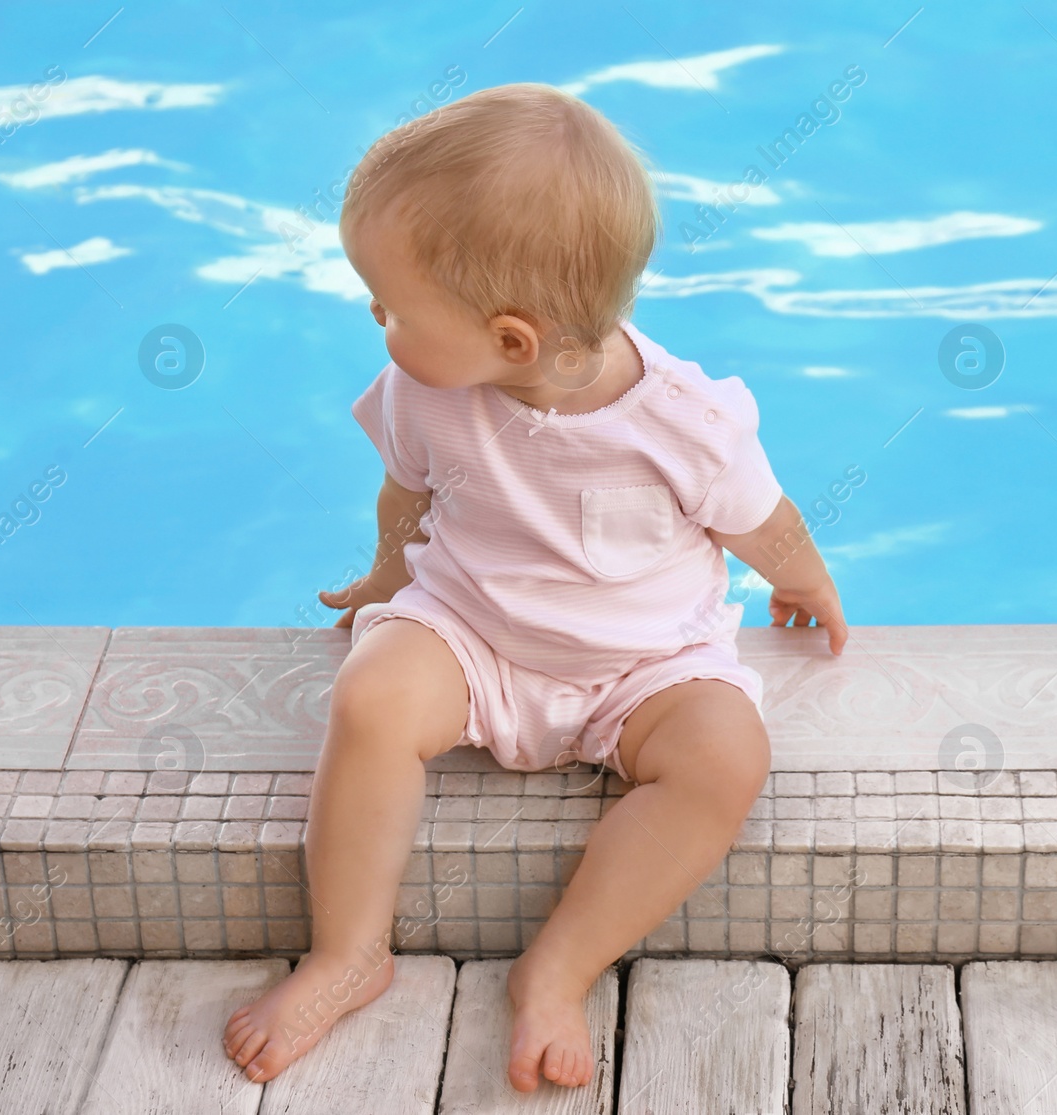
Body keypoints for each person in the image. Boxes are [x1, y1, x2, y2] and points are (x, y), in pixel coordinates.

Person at [221, 82, 846, 1092]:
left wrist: (806, 578)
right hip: (472, 633)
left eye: (390, 305)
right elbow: (405, 495)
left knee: (725, 757)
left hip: (644, 665)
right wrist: (388, 583)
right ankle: (347, 953)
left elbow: (760, 518)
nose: (374, 317)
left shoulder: (684, 419)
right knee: (372, 695)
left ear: (510, 339)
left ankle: (560, 967)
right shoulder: (426, 385)